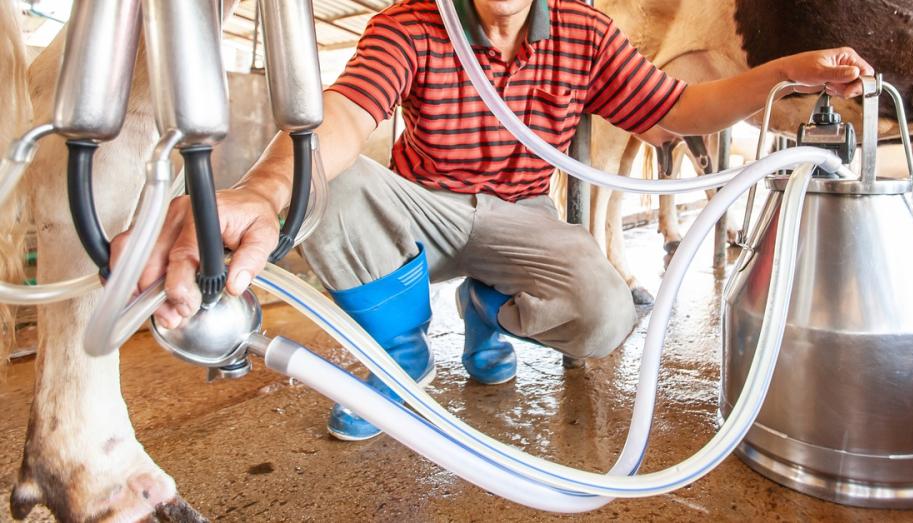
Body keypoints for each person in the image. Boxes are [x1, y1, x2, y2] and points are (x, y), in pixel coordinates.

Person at [112, 0, 873, 441]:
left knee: (607, 315)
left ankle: (490, 307)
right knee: (330, 185)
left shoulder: (584, 30)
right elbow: (345, 116)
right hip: (422, 210)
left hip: (523, 216)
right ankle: (397, 357)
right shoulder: (409, 23)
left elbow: (676, 109)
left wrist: (783, 72)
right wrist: (263, 188)